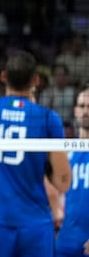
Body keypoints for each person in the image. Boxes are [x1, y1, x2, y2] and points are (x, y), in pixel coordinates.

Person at [0, 50, 72, 257]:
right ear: (36, 80)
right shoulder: (48, 118)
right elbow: (63, 181)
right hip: (35, 225)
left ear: (3, 76)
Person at [55, 85, 89, 257]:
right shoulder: (65, 152)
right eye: (82, 106)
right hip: (65, 241)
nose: (86, 112)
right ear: (75, 110)